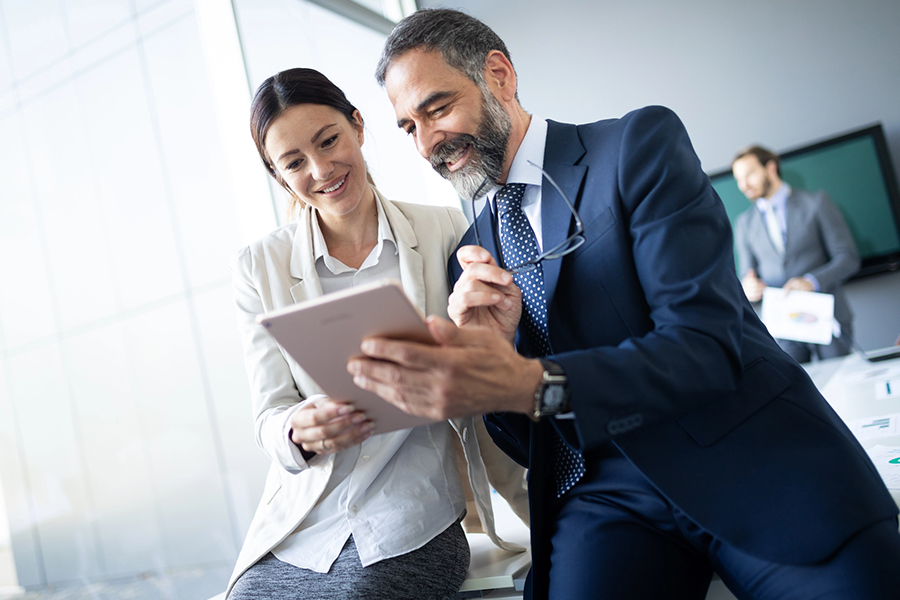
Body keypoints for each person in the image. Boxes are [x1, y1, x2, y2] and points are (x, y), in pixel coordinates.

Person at [344, 9, 900, 600]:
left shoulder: (636, 146)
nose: (429, 142)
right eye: (408, 127)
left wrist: (531, 380)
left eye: (437, 108)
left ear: (499, 75)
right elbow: (522, 436)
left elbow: (706, 346)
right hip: (607, 499)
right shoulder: (473, 249)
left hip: (748, 460)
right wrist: (491, 357)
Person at [225, 67, 527, 600]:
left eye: (329, 140)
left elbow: (495, 359)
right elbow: (268, 416)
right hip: (304, 526)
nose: (321, 169)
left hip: (412, 517)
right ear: (278, 176)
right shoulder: (260, 267)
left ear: (359, 127)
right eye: (295, 163)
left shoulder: (445, 231)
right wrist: (300, 427)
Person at [731, 145, 860, 363]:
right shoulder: (744, 223)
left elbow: (848, 258)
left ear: (770, 168)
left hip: (828, 319)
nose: (744, 185)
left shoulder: (817, 202)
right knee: (793, 392)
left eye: (749, 175)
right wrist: (748, 288)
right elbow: (747, 276)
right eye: (738, 180)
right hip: (783, 328)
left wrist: (812, 281)